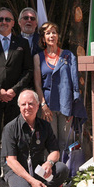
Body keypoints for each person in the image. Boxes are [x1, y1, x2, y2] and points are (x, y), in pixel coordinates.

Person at [0, 8, 33, 187]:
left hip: (14, 99)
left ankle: (12, 174)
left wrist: (13, 90)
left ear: (13, 23)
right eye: (0, 19)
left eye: (8, 19)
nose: (4, 22)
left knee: (13, 137)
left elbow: (28, 70)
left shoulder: (22, 43)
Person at [2, 90, 69, 187]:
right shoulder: (10, 128)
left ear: (38, 105)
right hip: (16, 170)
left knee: (62, 169)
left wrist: (49, 163)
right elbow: (11, 161)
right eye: (23, 104)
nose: (27, 107)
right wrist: (32, 181)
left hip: (37, 168)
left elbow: (55, 151)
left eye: (31, 104)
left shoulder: (45, 126)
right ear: (19, 106)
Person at [33, 21, 81, 151]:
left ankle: (67, 170)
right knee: (50, 141)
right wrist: (42, 105)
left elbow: (74, 82)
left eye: (54, 32)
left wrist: (73, 105)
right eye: (48, 33)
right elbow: (37, 83)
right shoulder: (38, 58)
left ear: (58, 36)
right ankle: (52, 170)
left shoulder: (68, 55)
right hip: (47, 106)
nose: (51, 35)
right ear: (43, 38)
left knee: (66, 142)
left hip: (66, 104)